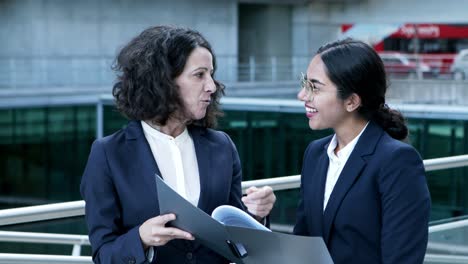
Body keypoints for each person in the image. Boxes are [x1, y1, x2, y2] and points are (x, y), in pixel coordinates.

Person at [80, 25, 276, 264]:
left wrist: (256, 213)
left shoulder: (222, 146)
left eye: (211, 74)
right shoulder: (109, 154)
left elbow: (237, 241)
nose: (212, 86)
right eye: (199, 74)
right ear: (163, 81)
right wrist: (140, 238)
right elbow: (103, 255)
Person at [293, 38, 431, 264]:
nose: (302, 95)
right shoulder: (316, 153)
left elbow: (402, 258)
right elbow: (303, 241)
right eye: (304, 83)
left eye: (314, 87)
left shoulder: (397, 161)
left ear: (352, 101)